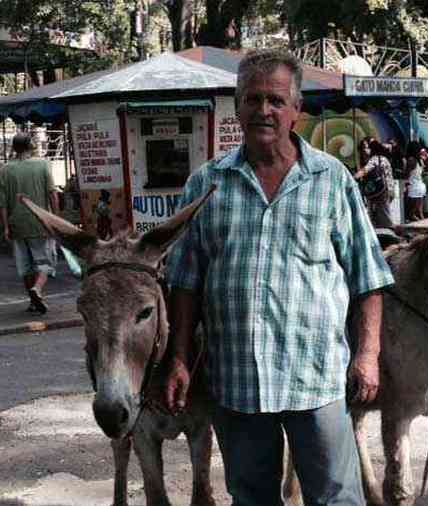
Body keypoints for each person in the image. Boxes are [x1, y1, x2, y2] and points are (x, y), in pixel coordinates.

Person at [163, 49, 392, 506]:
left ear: (296, 112)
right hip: (237, 380)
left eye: (275, 100)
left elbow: (367, 276)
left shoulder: (332, 180)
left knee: (336, 498)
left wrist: (368, 354)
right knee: (251, 498)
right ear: (237, 106)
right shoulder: (206, 184)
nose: (263, 110)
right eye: (252, 99)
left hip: (318, 377)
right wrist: (179, 358)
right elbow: (184, 282)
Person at [0, 133, 59, 314]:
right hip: (41, 224)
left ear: (14, 148)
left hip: (17, 225)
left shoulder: (5, 170)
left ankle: (33, 302)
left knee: (25, 266)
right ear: (31, 146)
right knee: (45, 262)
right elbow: (53, 194)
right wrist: (55, 219)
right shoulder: (43, 164)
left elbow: (1, 204)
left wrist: (6, 227)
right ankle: (37, 289)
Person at [354, 138, 395, 228]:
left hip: (381, 192)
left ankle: (395, 237)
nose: (365, 150)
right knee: (380, 217)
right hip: (387, 190)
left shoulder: (375, 159)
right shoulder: (383, 158)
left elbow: (365, 171)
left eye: (367, 147)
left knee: (385, 219)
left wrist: (353, 177)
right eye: (363, 148)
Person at [405, 141, 427, 221]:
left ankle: (422, 225)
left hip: (414, 188)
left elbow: (406, 174)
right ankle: (425, 225)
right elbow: (423, 172)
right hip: (421, 186)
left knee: (411, 213)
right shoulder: (420, 160)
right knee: (419, 212)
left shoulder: (411, 160)